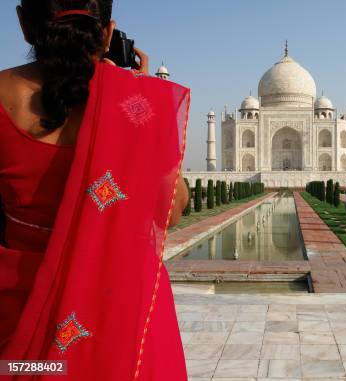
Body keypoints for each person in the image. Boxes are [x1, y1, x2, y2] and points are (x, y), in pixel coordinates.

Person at [0, 0, 190, 379]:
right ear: (107, 32)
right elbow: (170, 211)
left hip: (19, 303)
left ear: (23, 24)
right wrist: (141, 100)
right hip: (118, 306)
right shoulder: (142, 103)